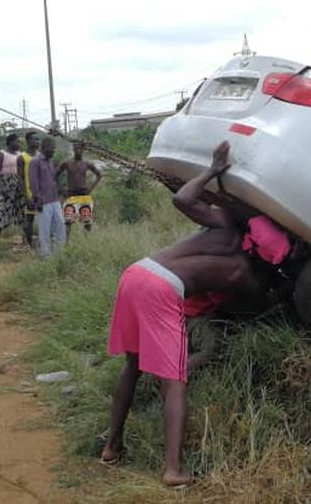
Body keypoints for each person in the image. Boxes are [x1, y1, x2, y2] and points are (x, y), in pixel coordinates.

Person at [100, 141, 288, 487]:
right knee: (175, 383)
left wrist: (212, 171)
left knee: (133, 365)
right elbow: (265, 303)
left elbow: (182, 199)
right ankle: (173, 470)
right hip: (162, 289)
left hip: (137, 273)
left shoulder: (223, 229)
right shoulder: (243, 273)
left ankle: (112, 447)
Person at [28, 137, 67, 258]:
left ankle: (60, 253)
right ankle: (46, 256)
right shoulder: (35, 161)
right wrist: (37, 199)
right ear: (44, 148)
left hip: (55, 199)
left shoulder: (50, 161)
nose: (54, 151)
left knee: (60, 226)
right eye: (52, 149)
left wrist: (61, 192)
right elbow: (33, 182)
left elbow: (53, 180)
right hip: (43, 201)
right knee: (44, 230)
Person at [57, 141, 103, 236]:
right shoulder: (67, 163)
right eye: (76, 148)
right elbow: (54, 176)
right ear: (73, 149)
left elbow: (99, 175)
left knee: (87, 222)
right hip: (71, 196)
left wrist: (91, 188)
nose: (78, 150)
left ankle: (85, 241)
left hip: (84, 196)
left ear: (83, 150)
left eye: (80, 148)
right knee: (68, 221)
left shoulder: (86, 163)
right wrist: (62, 190)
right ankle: (67, 243)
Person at [0, 133, 25, 236]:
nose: (18, 143)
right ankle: (0, 230)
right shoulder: (2, 154)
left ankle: (20, 232)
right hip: (5, 182)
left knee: (19, 207)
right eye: (17, 141)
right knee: (4, 207)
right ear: (10, 142)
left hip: (17, 182)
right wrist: (2, 186)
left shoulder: (20, 154)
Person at [15, 131, 40, 248]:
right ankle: (29, 244)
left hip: (42, 193)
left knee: (44, 218)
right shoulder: (22, 157)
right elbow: (20, 178)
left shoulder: (41, 156)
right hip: (29, 192)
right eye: (34, 139)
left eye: (38, 139)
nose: (37, 142)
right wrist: (26, 196)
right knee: (29, 219)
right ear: (27, 141)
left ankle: (41, 242)